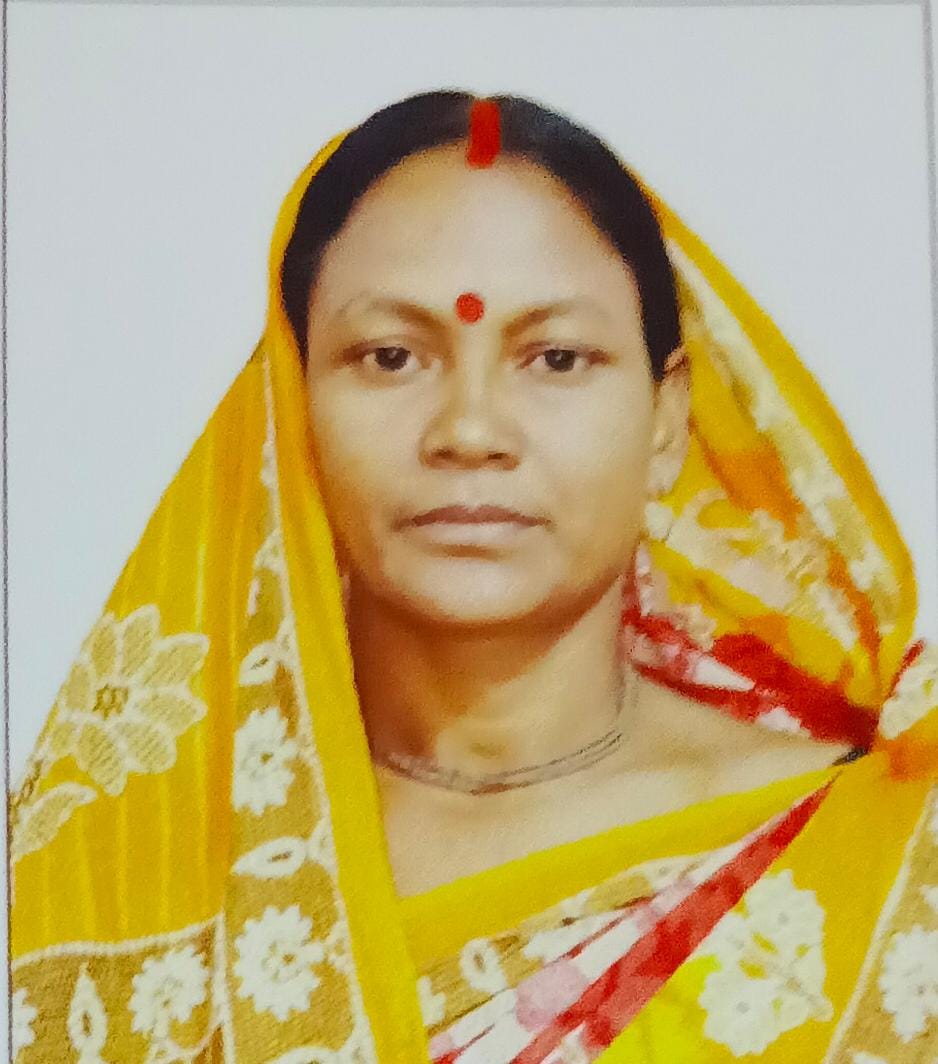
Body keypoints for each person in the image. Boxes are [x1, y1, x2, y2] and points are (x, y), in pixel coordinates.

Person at [9, 90, 938, 1063]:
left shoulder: (876, 861)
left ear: (666, 423)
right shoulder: (113, 869)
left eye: (556, 358)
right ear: (291, 410)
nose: (469, 430)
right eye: (391, 356)